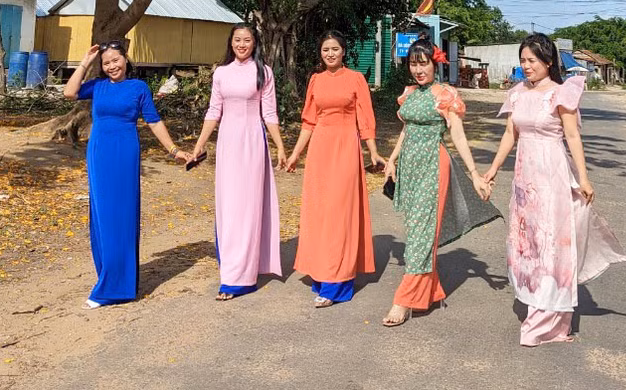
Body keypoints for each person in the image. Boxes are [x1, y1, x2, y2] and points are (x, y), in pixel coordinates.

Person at [484, 33, 626, 346]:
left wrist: (584, 177)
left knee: (552, 243)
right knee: (528, 241)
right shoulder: (517, 93)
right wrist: (493, 170)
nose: (526, 67)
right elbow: (510, 135)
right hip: (525, 178)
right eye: (523, 61)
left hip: (552, 174)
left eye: (533, 61)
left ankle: (549, 320)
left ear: (548, 61)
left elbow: (573, 138)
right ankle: (534, 297)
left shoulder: (562, 93)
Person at [382, 35, 500, 327]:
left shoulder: (444, 94)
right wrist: (392, 159)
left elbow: (457, 135)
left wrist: (474, 175)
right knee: (418, 230)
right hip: (410, 167)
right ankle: (430, 292)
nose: (418, 70)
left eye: (423, 64)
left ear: (435, 64)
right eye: (413, 64)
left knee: (421, 234)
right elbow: (407, 129)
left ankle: (404, 300)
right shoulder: (410, 93)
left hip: (434, 166)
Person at [64, 40, 191, 308]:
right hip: (99, 152)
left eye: (116, 60)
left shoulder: (138, 88)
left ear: (126, 59)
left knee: (121, 214)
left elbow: (154, 122)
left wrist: (174, 150)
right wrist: (86, 62)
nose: (112, 66)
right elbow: (69, 92)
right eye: (106, 62)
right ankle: (111, 278)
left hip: (125, 152)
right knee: (102, 215)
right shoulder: (97, 87)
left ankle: (114, 288)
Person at [286, 30, 386, 307]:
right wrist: (295, 155)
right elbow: (309, 121)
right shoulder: (315, 80)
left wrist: (373, 151)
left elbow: (365, 118)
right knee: (319, 214)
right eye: (325, 49)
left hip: (345, 150)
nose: (330, 53)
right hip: (319, 151)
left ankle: (336, 283)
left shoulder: (356, 79)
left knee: (340, 214)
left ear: (344, 51)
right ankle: (322, 271)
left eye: (335, 49)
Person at [189, 23, 286, 300]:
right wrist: (199, 145)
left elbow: (270, 113)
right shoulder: (221, 73)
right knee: (229, 206)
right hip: (228, 144)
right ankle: (232, 266)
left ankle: (241, 277)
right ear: (230, 43)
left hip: (253, 143)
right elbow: (213, 110)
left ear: (255, 43)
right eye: (237, 40)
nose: (242, 45)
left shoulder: (263, 72)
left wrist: (280, 146)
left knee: (249, 207)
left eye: (247, 40)